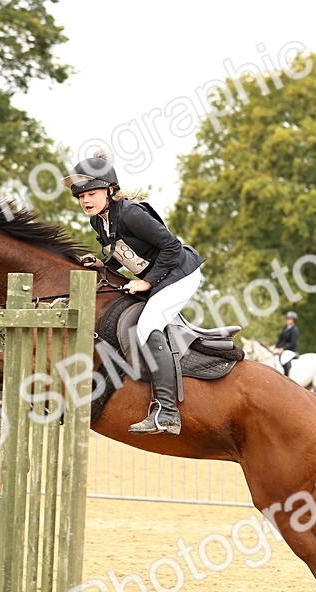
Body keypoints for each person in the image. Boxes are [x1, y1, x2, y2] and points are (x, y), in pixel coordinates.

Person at [64, 152, 205, 435]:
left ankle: (167, 412)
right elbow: (126, 250)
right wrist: (105, 263)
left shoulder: (130, 212)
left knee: (148, 325)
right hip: (163, 275)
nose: (86, 201)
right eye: (81, 197)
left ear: (109, 190)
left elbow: (171, 247)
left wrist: (147, 282)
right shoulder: (99, 221)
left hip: (181, 273)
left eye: (91, 194)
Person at [274, 311, 299, 376]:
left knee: (283, 359)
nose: (287, 320)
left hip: (290, 350)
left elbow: (292, 343)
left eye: (289, 319)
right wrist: (276, 345)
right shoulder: (285, 328)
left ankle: (286, 376)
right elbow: (280, 338)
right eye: (287, 318)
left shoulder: (294, 330)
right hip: (282, 348)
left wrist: (283, 348)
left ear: (293, 320)